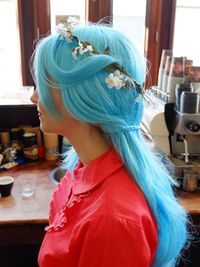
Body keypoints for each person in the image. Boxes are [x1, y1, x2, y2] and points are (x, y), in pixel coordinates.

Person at [31, 23, 189, 267]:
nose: (34, 97)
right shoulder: (86, 167)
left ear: (83, 95)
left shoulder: (112, 220)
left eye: (43, 86)